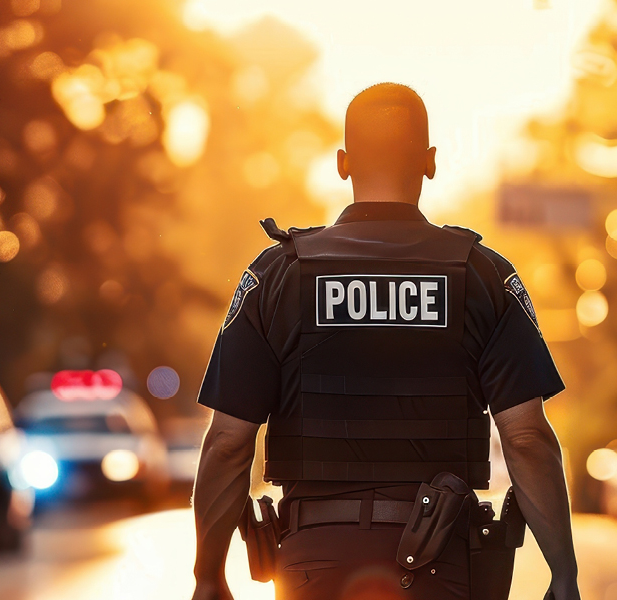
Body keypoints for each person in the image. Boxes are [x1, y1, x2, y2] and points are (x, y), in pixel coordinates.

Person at [191, 83, 581, 600]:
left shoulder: (277, 274)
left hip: (311, 565)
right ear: (430, 162)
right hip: (443, 566)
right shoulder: (482, 276)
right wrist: (563, 575)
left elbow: (227, 442)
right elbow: (527, 438)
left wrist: (208, 577)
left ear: (343, 163)